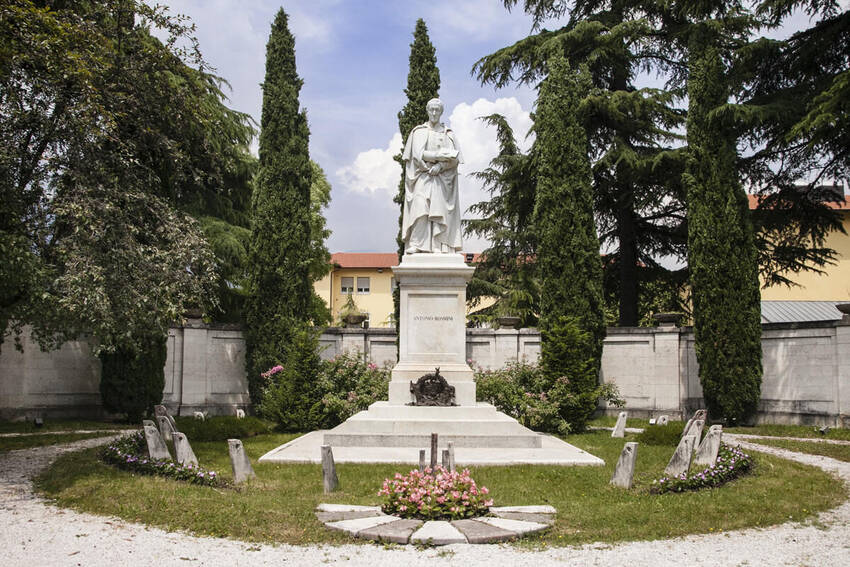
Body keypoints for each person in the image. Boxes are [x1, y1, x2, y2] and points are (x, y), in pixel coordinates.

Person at [401, 98, 464, 254]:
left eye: (437, 110)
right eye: (432, 110)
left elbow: (455, 159)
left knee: (439, 210)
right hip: (423, 175)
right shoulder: (419, 131)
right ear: (427, 111)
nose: (434, 113)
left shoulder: (448, 134)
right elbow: (417, 154)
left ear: (441, 112)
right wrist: (438, 156)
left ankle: (438, 244)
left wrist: (440, 166)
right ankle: (418, 243)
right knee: (419, 206)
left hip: (442, 178)